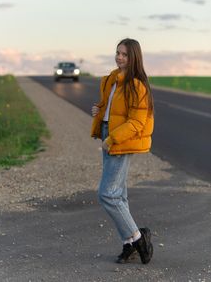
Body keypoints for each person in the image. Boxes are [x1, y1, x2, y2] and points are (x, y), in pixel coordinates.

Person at [91, 38, 154, 264]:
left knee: (107, 193)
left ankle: (138, 237)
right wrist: (99, 111)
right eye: (118, 53)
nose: (119, 57)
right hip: (110, 134)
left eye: (125, 55)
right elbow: (109, 107)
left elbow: (136, 122)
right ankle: (129, 243)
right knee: (119, 195)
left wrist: (112, 139)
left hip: (120, 139)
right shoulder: (112, 79)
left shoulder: (136, 85)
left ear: (134, 57)